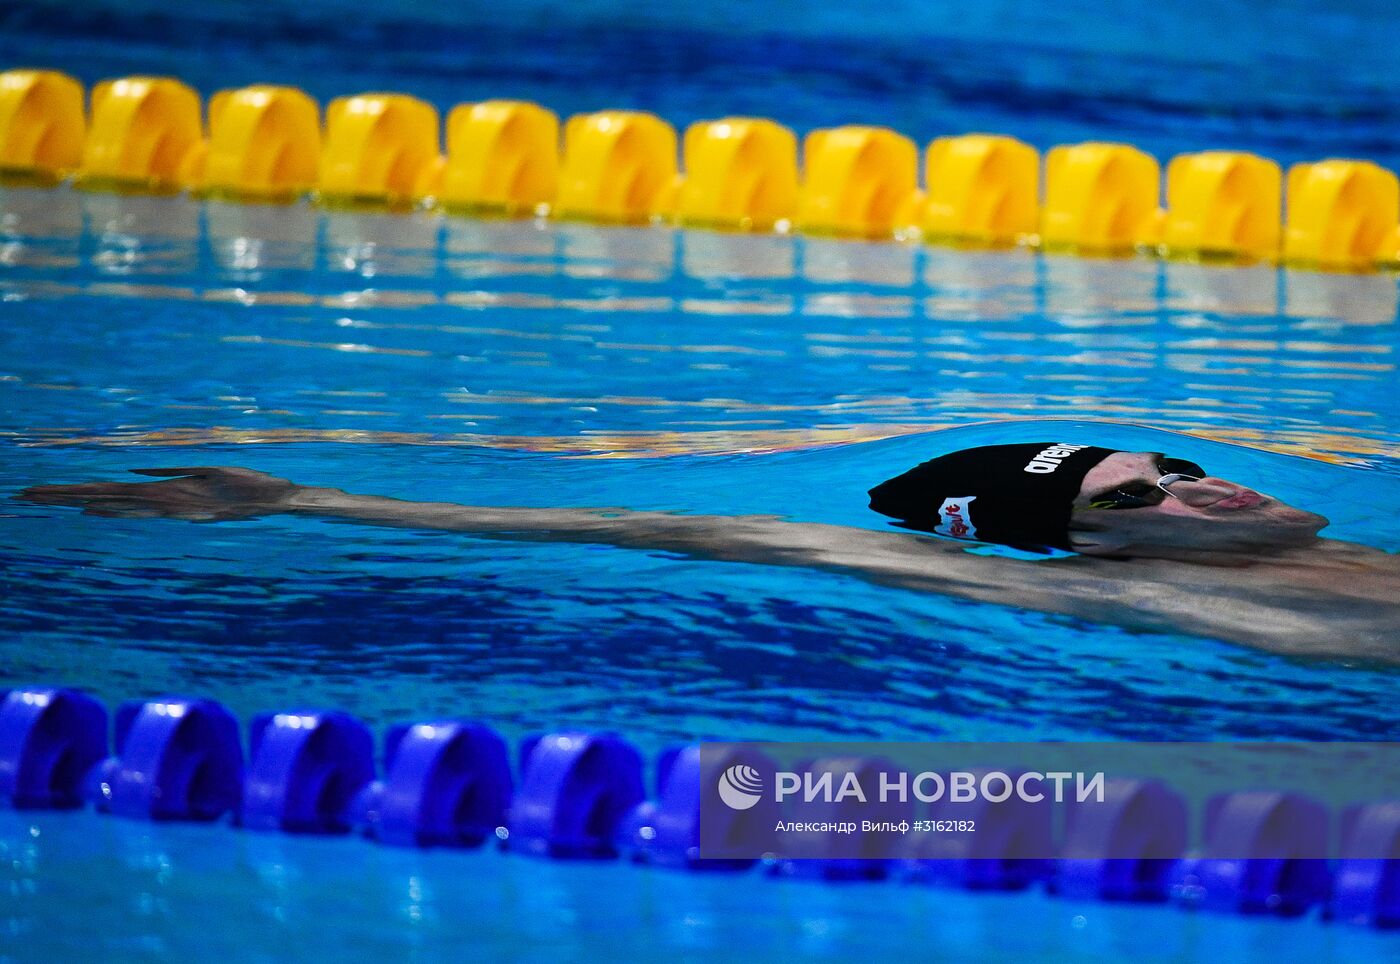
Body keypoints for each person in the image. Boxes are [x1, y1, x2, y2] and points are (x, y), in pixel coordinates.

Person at [18, 442, 1400, 663]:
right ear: (1084, 557)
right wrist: (305, 505)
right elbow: (701, 526)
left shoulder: (1341, 546)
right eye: (1132, 499)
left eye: (1170, 465)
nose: (1194, 491)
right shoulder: (1131, 594)